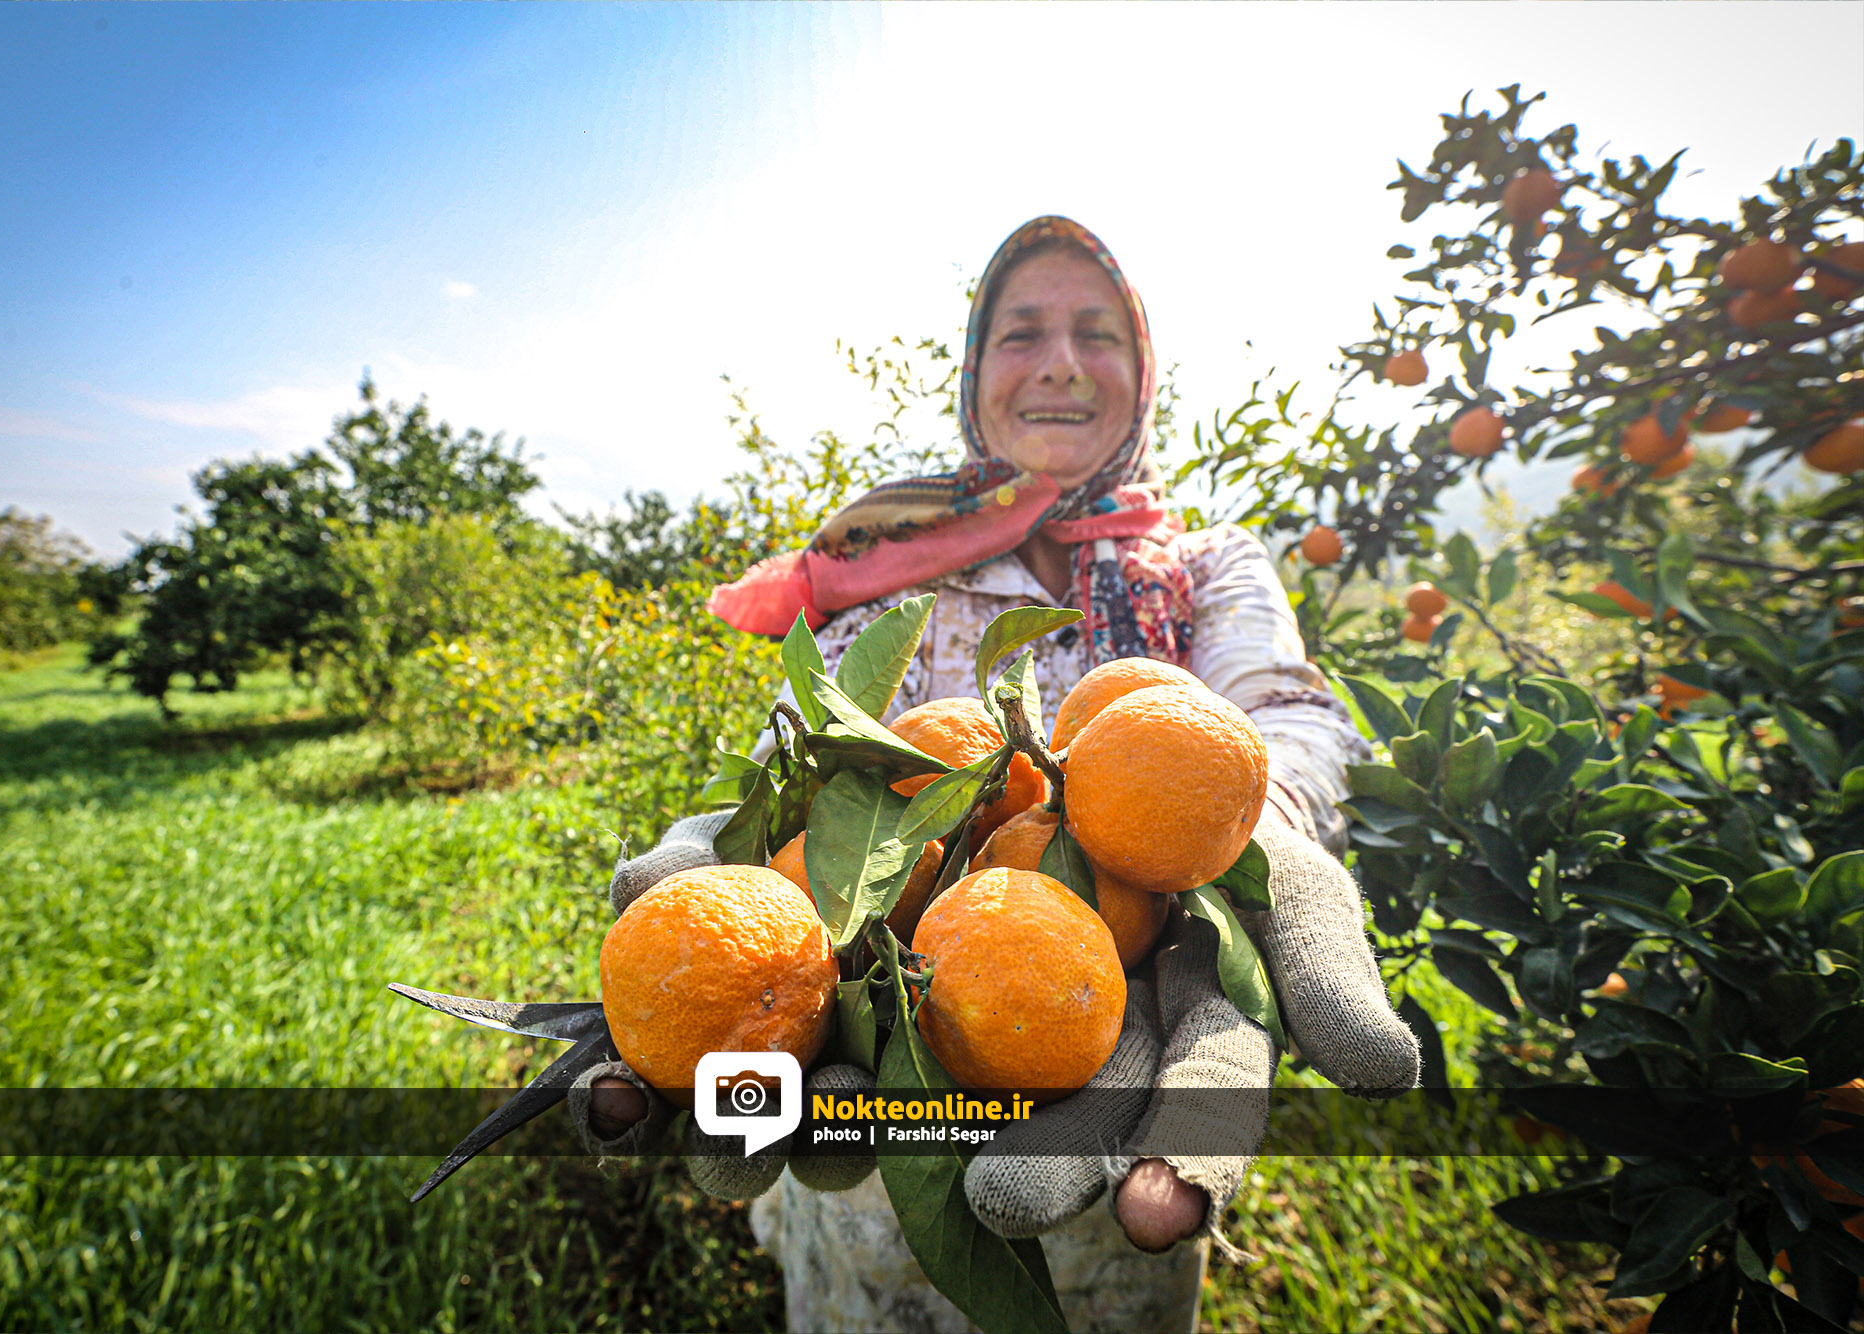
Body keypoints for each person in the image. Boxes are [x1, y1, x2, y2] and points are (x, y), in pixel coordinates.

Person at [568, 216, 1419, 1333]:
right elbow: (819, 737)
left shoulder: (1211, 564)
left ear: (1141, 370)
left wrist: (1233, 851)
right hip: (901, 1036)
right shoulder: (892, 552)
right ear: (974, 375)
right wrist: (750, 846)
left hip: (1120, 1067)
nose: (1060, 361)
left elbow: (1288, 717)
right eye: (1021, 333)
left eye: (1095, 333)